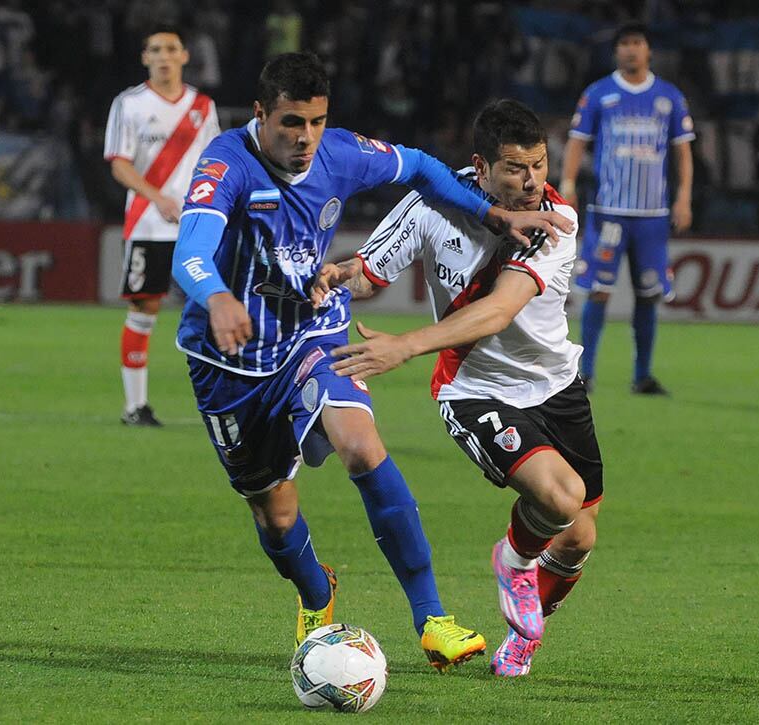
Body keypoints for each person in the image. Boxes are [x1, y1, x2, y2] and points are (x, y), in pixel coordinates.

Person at [170, 53, 571, 670]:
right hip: (230, 360)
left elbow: (419, 167)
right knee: (276, 516)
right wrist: (219, 297)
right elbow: (190, 253)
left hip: (312, 330)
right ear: (260, 115)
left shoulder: (339, 153)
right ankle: (315, 589)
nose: (305, 139)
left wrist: (493, 213)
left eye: (317, 122)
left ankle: (431, 617)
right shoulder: (226, 163)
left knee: (362, 445)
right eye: (291, 124)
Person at [317, 100, 602, 678]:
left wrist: (405, 344)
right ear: (480, 167)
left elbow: (499, 311)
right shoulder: (431, 203)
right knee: (558, 499)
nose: (532, 184)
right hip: (474, 388)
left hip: (556, 386)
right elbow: (370, 273)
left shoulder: (556, 223)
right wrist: (334, 275)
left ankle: (520, 638)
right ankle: (515, 559)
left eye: (541, 166)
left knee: (578, 539)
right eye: (516, 170)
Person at [559, 22, 694, 395]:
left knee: (648, 294)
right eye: (624, 44)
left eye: (637, 43)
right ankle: (584, 374)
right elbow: (576, 142)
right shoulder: (599, 94)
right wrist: (567, 184)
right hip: (609, 211)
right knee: (598, 291)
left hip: (652, 216)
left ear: (649, 50)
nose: (630, 50)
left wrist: (684, 197)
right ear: (616, 51)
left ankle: (642, 375)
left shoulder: (669, 97)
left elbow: (683, 152)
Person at [104, 26, 221, 426]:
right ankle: (134, 406)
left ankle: (223, 402)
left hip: (196, 226)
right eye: (155, 49)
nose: (164, 56)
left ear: (185, 56)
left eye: (171, 48)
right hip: (148, 225)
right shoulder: (129, 104)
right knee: (144, 309)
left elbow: (216, 162)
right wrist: (159, 198)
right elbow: (119, 163)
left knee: (214, 307)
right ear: (145, 58)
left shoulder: (203, 107)